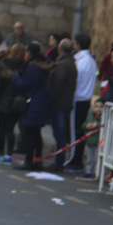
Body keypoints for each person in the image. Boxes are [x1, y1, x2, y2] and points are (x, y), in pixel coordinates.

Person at [13, 42, 51, 171]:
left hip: (34, 103)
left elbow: (24, 85)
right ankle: (37, 160)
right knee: (35, 133)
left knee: (30, 134)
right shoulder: (40, 65)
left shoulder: (33, 67)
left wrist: (14, 77)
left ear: (29, 52)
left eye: (26, 52)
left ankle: (30, 160)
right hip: (39, 103)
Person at [46, 39, 77, 172]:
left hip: (60, 104)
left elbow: (57, 85)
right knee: (60, 133)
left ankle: (59, 162)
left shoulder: (64, 64)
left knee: (60, 134)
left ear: (60, 49)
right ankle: (59, 161)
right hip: (64, 102)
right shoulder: (70, 63)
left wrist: (51, 100)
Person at [70, 33, 97, 172]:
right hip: (85, 98)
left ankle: (75, 160)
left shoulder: (82, 61)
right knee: (79, 131)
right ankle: (76, 159)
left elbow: (76, 80)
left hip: (79, 99)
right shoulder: (90, 60)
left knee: (77, 132)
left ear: (78, 45)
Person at [80, 98, 104, 180]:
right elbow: (83, 126)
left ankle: (96, 173)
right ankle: (89, 172)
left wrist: (96, 125)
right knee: (89, 158)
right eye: (96, 106)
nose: (98, 109)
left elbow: (103, 126)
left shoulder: (103, 118)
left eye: (101, 107)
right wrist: (87, 126)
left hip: (98, 142)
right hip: (89, 141)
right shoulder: (91, 117)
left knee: (96, 159)